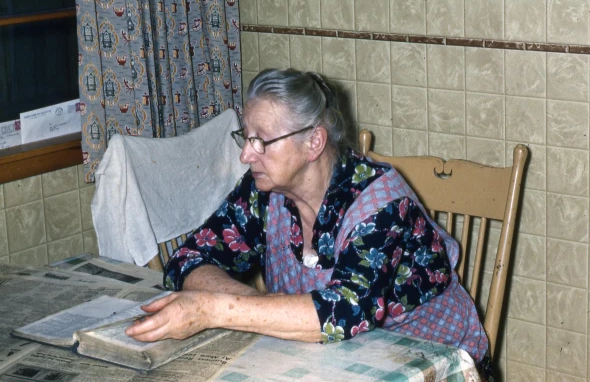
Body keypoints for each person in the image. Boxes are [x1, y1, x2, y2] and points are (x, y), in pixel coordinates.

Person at [125, 68, 493, 379]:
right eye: (246, 137)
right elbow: (190, 257)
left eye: (262, 141)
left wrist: (213, 309)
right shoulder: (265, 191)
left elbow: (343, 311)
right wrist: (252, 303)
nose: (245, 154)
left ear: (314, 141)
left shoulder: (383, 206)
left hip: (430, 365)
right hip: (334, 362)